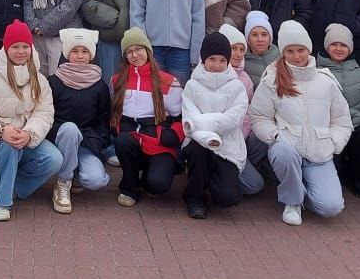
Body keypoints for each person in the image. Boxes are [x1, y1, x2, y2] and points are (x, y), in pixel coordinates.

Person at [249, 20, 352, 226]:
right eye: (290, 51)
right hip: (288, 148)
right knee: (283, 152)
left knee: (331, 207)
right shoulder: (272, 79)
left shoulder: (326, 81)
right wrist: (276, 136)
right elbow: (259, 117)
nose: (296, 56)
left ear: (309, 49)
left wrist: (333, 142)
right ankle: (292, 201)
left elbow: (342, 121)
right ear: (283, 52)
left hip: (319, 153)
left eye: (301, 50)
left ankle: (303, 188)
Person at [0, 20, 62, 221]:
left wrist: (29, 133)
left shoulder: (40, 80)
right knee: (9, 146)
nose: (20, 52)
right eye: (15, 47)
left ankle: (12, 187)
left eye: (25, 47)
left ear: (31, 48)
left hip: (24, 139)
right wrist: (1, 130)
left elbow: (44, 113)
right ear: (6, 49)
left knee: (54, 159)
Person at [111, 27, 183, 206]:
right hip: (132, 140)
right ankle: (129, 189)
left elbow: (180, 117)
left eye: (139, 49)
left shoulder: (168, 81)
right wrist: (116, 127)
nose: (135, 55)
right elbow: (114, 110)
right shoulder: (117, 81)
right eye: (130, 51)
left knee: (157, 185)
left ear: (148, 50)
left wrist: (172, 135)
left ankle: (153, 176)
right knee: (122, 142)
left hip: (158, 143)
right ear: (125, 56)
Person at [181, 31, 249, 219]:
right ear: (203, 59)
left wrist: (200, 123)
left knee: (228, 198)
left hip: (228, 146)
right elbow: (189, 118)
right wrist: (205, 134)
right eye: (212, 59)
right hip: (199, 143)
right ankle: (195, 198)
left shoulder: (237, 87)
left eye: (222, 60)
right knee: (197, 151)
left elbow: (234, 119)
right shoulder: (192, 85)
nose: (217, 65)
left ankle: (211, 179)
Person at [48, 27, 111, 213]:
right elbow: (46, 115)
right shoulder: (54, 82)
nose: (80, 56)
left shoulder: (99, 85)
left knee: (96, 180)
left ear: (91, 55)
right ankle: (63, 182)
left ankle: (76, 171)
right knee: (70, 129)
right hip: (60, 139)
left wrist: (99, 141)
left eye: (85, 51)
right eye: (75, 51)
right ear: (67, 54)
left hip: (86, 141)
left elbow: (103, 119)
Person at [317, 24, 360, 198]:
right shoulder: (316, 71)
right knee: (336, 172)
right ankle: (338, 168)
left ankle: (358, 176)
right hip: (328, 127)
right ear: (326, 46)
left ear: (350, 48)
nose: (338, 49)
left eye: (343, 45)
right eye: (334, 44)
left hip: (355, 124)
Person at [217, 24, 267, 196]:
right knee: (250, 186)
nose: (238, 54)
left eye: (241, 49)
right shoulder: (209, 74)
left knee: (263, 136)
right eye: (233, 49)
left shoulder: (245, 80)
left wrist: (241, 137)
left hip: (239, 139)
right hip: (217, 139)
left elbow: (248, 113)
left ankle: (234, 172)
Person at [243, 11, 278, 89]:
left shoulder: (280, 57)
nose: (260, 39)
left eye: (264, 34)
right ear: (248, 38)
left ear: (270, 37)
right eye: (254, 35)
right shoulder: (242, 62)